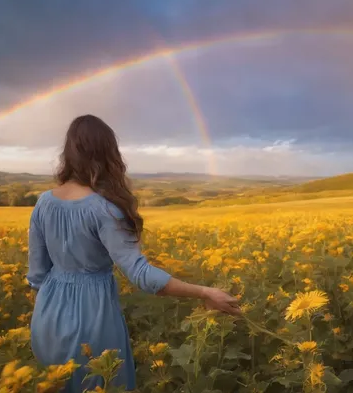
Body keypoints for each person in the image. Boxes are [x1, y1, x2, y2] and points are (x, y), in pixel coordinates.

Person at [26, 114, 241, 392]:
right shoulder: (102, 209)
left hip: (46, 317)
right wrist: (204, 292)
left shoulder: (43, 203)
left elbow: (36, 275)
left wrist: (50, 315)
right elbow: (140, 274)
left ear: (69, 152)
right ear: (108, 153)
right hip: (92, 318)